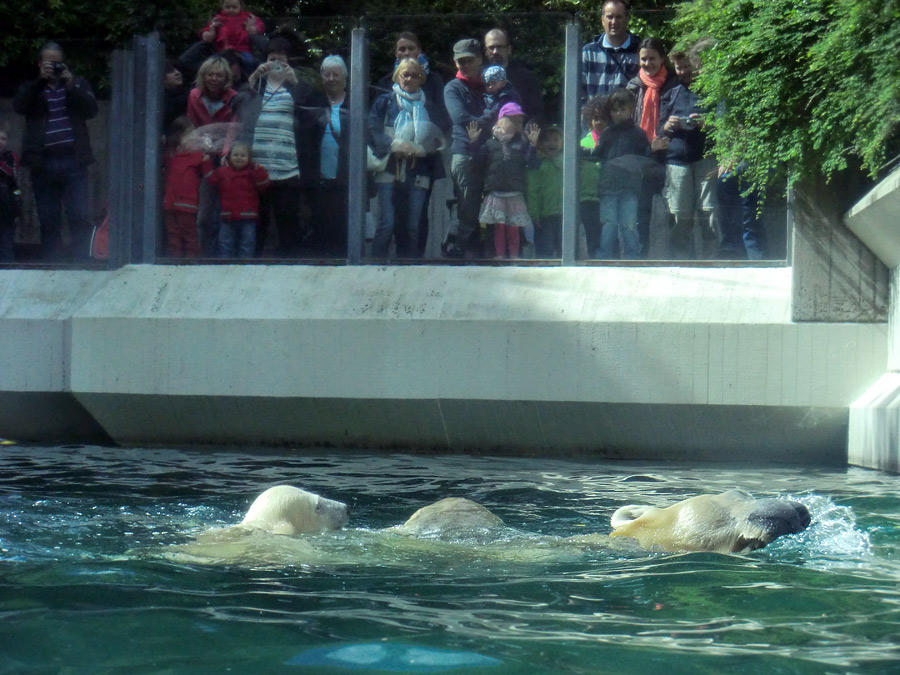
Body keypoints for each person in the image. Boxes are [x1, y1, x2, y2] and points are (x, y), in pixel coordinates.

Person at [13, 41, 98, 261]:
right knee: (48, 219)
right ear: (40, 64)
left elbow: (91, 110)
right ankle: (52, 266)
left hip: (73, 160)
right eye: (50, 64)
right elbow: (20, 106)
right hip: (43, 163)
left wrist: (70, 85)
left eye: (58, 63)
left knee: (79, 216)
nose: (54, 68)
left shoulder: (77, 84)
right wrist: (40, 82)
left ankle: (82, 264)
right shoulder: (32, 88)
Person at [236, 38, 312, 257]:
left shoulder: (295, 86)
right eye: (272, 59)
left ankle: (290, 264)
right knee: (258, 221)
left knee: (288, 221)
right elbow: (239, 105)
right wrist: (253, 77)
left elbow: (309, 112)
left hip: (287, 166)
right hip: (256, 166)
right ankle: (254, 264)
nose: (276, 63)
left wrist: (294, 81)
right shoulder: (257, 85)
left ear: (288, 62)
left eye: (281, 59)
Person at [368, 58, 445, 258]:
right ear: (396, 77)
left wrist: (419, 149)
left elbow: (437, 139)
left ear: (421, 79)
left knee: (413, 225)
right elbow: (372, 129)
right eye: (405, 74)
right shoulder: (384, 101)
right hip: (388, 168)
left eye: (414, 75)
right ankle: (373, 268)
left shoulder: (430, 107)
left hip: (419, 171)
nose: (409, 79)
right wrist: (394, 145)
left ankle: (411, 269)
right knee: (387, 222)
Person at [658, 49, 719, 259]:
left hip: (705, 158)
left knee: (708, 212)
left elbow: (724, 125)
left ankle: (710, 260)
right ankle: (681, 261)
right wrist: (668, 125)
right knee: (680, 215)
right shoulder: (670, 92)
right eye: (679, 67)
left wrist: (706, 123)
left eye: (686, 66)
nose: (683, 71)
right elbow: (659, 131)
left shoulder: (710, 90)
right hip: (677, 161)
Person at [626, 37, 678, 255]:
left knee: (672, 208)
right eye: (643, 59)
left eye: (652, 59)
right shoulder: (633, 87)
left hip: (669, 152)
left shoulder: (674, 84)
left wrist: (661, 137)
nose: (648, 64)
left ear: (662, 59)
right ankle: (642, 252)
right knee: (642, 209)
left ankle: (674, 253)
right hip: (642, 154)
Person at [469, 102, 540, 259]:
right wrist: (473, 143)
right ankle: (499, 255)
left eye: (519, 121)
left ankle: (514, 255)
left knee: (514, 226)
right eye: (512, 119)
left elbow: (532, 163)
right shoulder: (489, 144)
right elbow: (476, 163)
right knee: (498, 226)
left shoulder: (521, 144)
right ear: (500, 120)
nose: (516, 124)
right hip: (495, 191)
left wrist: (533, 145)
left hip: (515, 192)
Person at [186, 55, 238, 255]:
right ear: (203, 76)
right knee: (203, 211)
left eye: (219, 75)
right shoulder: (194, 95)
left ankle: (222, 253)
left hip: (226, 156)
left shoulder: (233, 96)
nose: (214, 78)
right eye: (210, 74)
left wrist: (226, 154)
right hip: (202, 155)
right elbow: (193, 125)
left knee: (223, 209)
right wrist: (201, 149)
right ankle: (202, 252)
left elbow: (233, 128)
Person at [592, 88, 650, 259]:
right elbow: (598, 154)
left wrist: (654, 150)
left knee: (629, 224)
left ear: (630, 110)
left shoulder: (638, 134)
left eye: (622, 109)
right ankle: (606, 257)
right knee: (609, 224)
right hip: (608, 186)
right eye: (614, 109)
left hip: (630, 187)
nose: (618, 113)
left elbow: (645, 158)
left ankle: (632, 257)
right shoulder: (607, 133)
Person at [306, 55, 351, 257]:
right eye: (326, 74)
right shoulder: (313, 100)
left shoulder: (355, 101)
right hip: (318, 177)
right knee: (319, 225)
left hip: (346, 178)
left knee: (343, 227)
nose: (331, 78)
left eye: (336, 74)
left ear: (345, 77)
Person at [203, 140, 270, 258]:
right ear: (229, 157)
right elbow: (212, 180)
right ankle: (224, 269)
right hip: (227, 217)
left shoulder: (253, 172)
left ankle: (245, 269)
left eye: (243, 155)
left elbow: (263, 186)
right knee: (225, 244)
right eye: (235, 155)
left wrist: (261, 172)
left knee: (247, 244)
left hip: (248, 217)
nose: (239, 158)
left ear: (249, 158)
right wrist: (206, 164)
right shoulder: (222, 172)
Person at [162, 116, 204, 258]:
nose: (192, 137)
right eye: (188, 134)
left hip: (187, 203)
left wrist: (208, 155)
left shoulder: (197, 155)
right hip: (170, 203)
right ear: (177, 136)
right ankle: (175, 264)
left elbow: (210, 176)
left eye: (193, 133)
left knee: (190, 236)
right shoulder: (170, 155)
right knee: (173, 236)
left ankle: (191, 265)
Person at [582, 0, 641, 99]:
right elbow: (578, 92)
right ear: (602, 20)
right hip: (595, 114)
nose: (614, 22)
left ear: (627, 19)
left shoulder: (640, 51)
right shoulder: (589, 52)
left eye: (618, 17)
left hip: (631, 114)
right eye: (610, 17)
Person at [483, 28, 544, 122]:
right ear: (486, 51)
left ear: (509, 49)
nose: (495, 51)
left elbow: (536, 113)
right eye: (491, 47)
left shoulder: (527, 78)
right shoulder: (479, 78)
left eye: (499, 47)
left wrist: (524, 135)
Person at [198, 0, 266, 73]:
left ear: (241, 6)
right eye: (227, 7)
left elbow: (261, 26)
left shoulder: (248, 17)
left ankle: (247, 79)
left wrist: (253, 28)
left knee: (250, 62)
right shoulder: (218, 19)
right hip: (223, 50)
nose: (231, 10)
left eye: (234, 7)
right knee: (210, 64)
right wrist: (208, 32)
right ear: (222, 6)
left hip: (242, 49)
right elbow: (207, 29)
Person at [0, 122, 22, 262]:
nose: (0, 142)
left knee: (6, 244)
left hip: (6, 204)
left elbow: (12, 175)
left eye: (3, 139)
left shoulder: (11, 156)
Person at [163, 60, 190, 131]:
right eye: (170, 71)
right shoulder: (160, 101)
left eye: (177, 70)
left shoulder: (188, 93)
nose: (177, 73)